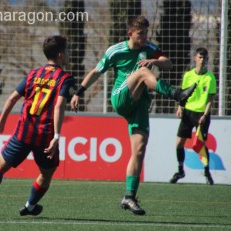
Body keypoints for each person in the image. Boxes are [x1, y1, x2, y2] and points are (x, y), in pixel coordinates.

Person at [70, 16, 196, 215]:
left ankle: (129, 196)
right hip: (121, 97)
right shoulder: (116, 50)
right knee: (143, 72)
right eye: (141, 34)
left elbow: (168, 64)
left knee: (139, 150)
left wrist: (155, 60)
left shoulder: (150, 48)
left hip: (139, 106)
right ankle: (177, 94)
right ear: (130, 34)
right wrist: (78, 92)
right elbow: (96, 71)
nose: (145, 37)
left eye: (146, 33)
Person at [0, 35, 76, 218]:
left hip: (24, 132)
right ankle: (30, 205)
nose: (69, 54)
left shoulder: (33, 74)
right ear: (61, 54)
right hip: (45, 136)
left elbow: (12, 98)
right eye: (67, 51)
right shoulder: (65, 78)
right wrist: (56, 136)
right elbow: (60, 105)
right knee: (46, 174)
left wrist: (1, 120)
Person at [170, 47, 216, 185]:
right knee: (179, 143)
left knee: (199, 144)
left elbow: (210, 99)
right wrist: (180, 107)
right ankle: (180, 171)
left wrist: (205, 115)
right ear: (195, 58)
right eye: (200, 57)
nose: (202, 60)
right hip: (188, 112)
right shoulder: (188, 75)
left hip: (202, 114)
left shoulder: (210, 78)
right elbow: (183, 94)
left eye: (205, 58)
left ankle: (207, 171)